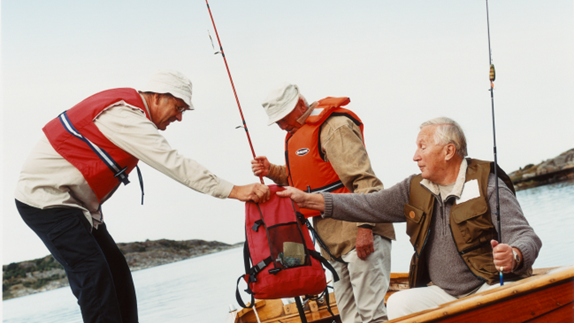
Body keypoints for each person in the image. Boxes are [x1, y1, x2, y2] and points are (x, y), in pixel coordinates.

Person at [14, 69, 271, 323]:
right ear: (157, 97)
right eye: (178, 107)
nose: (179, 118)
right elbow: (173, 163)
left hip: (74, 205)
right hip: (44, 199)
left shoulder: (129, 112)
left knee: (117, 271)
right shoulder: (124, 116)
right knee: (93, 272)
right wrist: (234, 190)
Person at [276, 117, 542, 320]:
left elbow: (526, 237)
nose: (415, 156)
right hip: (443, 293)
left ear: (449, 151)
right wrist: (309, 201)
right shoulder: (413, 188)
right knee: (398, 303)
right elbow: (369, 204)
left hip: (488, 287)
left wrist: (515, 255)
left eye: (422, 147)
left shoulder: (489, 186)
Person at [251, 83, 395, 323]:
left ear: (299, 104)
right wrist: (272, 171)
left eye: (283, 118)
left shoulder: (334, 127)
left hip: (359, 235)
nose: (282, 126)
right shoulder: (300, 135)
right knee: (349, 318)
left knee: (371, 316)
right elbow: (309, 180)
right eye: (277, 122)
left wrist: (365, 228)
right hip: (331, 244)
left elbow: (366, 182)